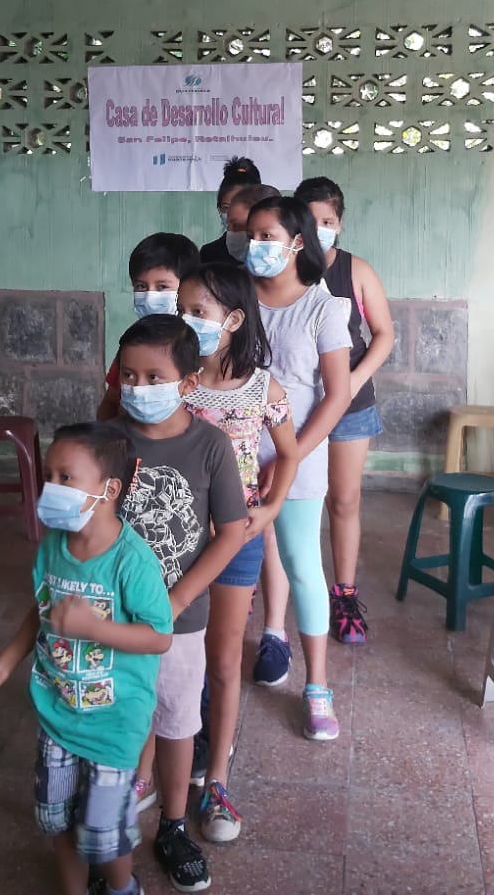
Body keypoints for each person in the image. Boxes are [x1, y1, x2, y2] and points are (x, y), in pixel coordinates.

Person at [0, 423, 172, 895]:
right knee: (57, 822)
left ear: (109, 489)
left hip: (114, 723)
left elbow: (159, 637)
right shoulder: (54, 546)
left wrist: (94, 629)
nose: (51, 488)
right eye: (49, 475)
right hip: (58, 713)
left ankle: (122, 889)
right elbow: (41, 612)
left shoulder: (131, 561)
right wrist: (3, 663)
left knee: (104, 835)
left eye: (66, 477)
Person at [113, 315, 248, 892]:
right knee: (116, 718)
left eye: (154, 376)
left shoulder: (210, 446)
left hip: (179, 620)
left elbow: (231, 530)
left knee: (173, 724)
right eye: (128, 376)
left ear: (188, 382)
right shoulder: (109, 440)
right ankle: (107, 822)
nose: (139, 389)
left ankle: (172, 825)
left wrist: (180, 597)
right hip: (111, 615)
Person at [177, 263, 299, 844]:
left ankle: (217, 780)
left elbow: (290, 454)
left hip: (238, 540)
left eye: (197, 312)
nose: (185, 321)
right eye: (181, 309)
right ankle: (169, 762)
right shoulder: (172, 384)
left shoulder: (262, 389)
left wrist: (271, 509)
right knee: (175, 658)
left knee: (224, 662)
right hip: (176, 540)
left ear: (232, 320)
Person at [243, 197, 352, 741]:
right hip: (234, 454)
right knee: (238, 561)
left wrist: (291, 455)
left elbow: (336, 396)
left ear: (297, 243)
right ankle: (266, 640)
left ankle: (317, 688)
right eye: (251, 235)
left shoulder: (324, 308)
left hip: (301, 458)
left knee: (302, 563)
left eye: (269, 236)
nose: (257, 246)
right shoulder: (235, 298)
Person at [295, 177, 395, 644]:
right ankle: (293, 593)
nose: (319, 230)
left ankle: (344, 593)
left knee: (344, 500)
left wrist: (352, 380)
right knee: (294, 502)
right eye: (310, 221)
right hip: (297, 408)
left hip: (351, 407)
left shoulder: (356, 271)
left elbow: (384, 334)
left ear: (339, 223)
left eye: (327, 222)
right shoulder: (284, 269)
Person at [95, 232, 199, 421]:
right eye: (141, 286)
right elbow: (111, 401)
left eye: (162, 287)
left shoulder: (202, 345)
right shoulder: (134, 343)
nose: (150, 297)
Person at [196, 157, 260, 267]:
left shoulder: (270, 250)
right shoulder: (209, 253)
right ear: (219, 208)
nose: (233, 214)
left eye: (243, 206)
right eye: (226, 207)